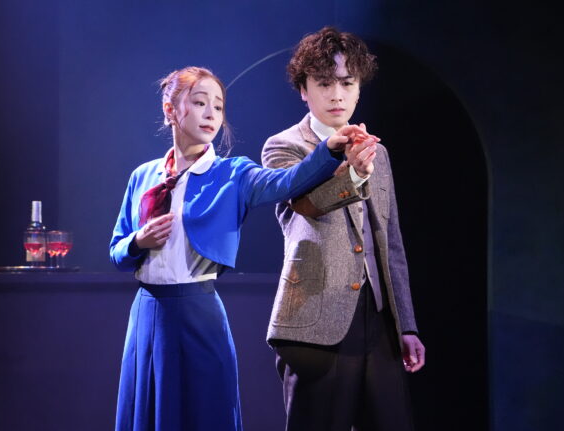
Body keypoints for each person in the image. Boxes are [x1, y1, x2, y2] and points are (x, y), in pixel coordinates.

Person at [109, 66, 365, 431]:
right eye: (200, 103)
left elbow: (287, 181)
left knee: (205, 413)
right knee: (149, 412)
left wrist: (328, 151)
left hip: (198, 312)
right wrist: (139, 241)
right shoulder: (143, 176)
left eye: (218, 106)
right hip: (147, 313)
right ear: (170, 110)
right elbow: (117, 251)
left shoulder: (233, 174)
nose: (211, 113)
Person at [261, 27, 426, 431]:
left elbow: (391, 242)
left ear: (358, 89)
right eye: (324, 83)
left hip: (378, 320)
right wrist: (352, 174)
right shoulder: (284, 146)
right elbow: (305, 205)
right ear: (304, 90)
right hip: (317, 319)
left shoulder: (376, 151)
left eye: (347, 83)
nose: (336, 94)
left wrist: (405, 323)